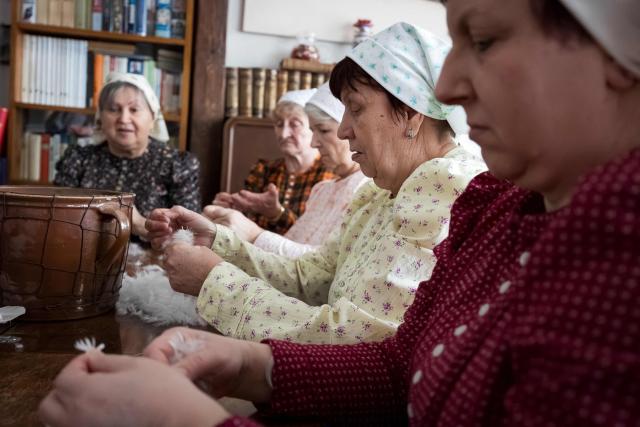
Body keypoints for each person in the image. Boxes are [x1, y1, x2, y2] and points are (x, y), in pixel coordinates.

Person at [38, 2, 640, 425]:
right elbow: (399, 358)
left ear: (618, 52)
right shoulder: (494, 208)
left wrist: (188, 415)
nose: (451, 84)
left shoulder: (603, 263)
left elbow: (361, 330)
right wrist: (256, 364)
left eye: (482, 39)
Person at [144, 24, 486, 344]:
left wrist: (215, 284)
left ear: (411, 112)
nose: (342, 130)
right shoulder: (384, 191)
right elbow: (315, 276)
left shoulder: (448, 193)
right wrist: (219, 242)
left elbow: (362, 338)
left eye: (356, 109)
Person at [203, 83, 369, 258]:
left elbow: (321, 266)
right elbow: (290, 260)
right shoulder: (321, 190)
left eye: (324, 130)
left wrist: (254, 233)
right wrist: (231, 218)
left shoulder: (365, 189)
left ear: (351, 131)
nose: (284, 134)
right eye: (278, 124)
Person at [54, 72, 201, 238]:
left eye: (134, 109)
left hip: (157, 261)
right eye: (113, 109)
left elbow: (190, 236)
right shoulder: (78, 159)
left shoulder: (177, 165)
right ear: (100, 117)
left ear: (153, 117)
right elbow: (57, 223)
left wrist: (139, 224)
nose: (124, 119)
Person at [213, 89, 335, 235]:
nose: (284, 134)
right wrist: (233, 208)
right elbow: (244, 226)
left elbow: (313, 238)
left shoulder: (329, 177)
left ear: (314, 128)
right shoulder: (263, 170)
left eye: (294, 125)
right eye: (279, 124)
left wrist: (277, 213)